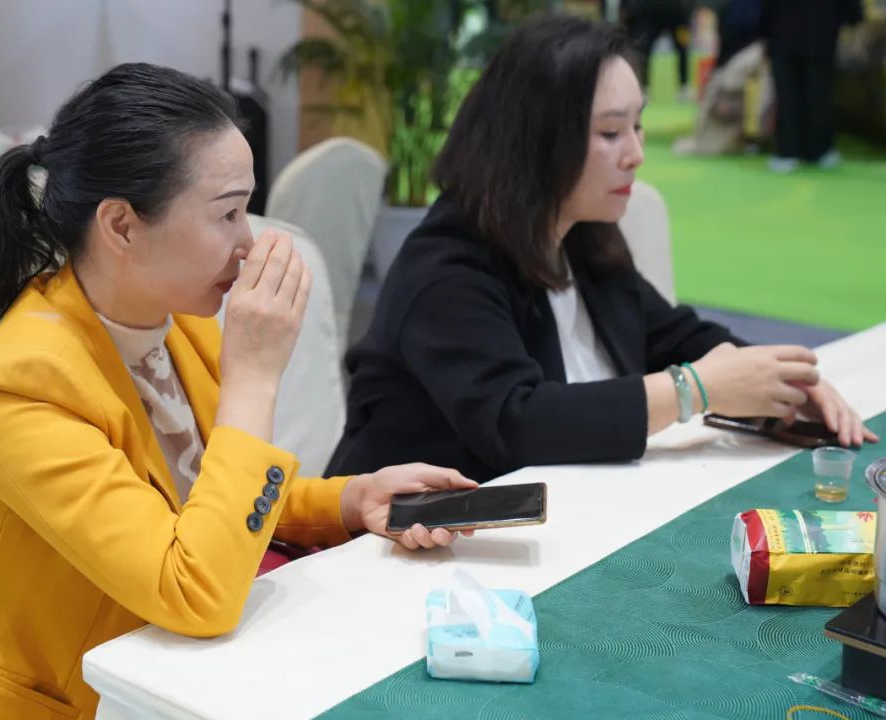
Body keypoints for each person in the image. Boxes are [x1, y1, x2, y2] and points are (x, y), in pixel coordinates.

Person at [0, 64, 475, 719]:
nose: (248, 242)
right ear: (121, 225)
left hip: (167, 674)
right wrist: (254, 379)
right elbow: (196, 591)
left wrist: (351, 499)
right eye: (227, 213)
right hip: (70, 700)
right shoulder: (22, 391)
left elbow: (212, 501)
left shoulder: (173, 323)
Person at [326, 16, 876, 483]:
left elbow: (673, 334)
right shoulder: (446, 269)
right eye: (611, 133)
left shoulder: (578, 234)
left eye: (637, 126)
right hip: (402, 549)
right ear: (535, 140)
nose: (636, 153)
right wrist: (695, 390)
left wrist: (776, 382)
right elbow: (518, 422)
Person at [761, 0, 865, 171]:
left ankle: (788, 151)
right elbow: (852, 12)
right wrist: (850, 17)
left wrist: (762, 30)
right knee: (819, 94)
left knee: (787, 96)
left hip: (783, 34)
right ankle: (819, 150)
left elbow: (764, 9)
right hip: (821, 35)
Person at [625, 0, 696, 101]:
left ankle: (684, 87)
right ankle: (643, 87)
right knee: (643, 49)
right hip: (650, 10)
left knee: (682, 48)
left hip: (676, 11)